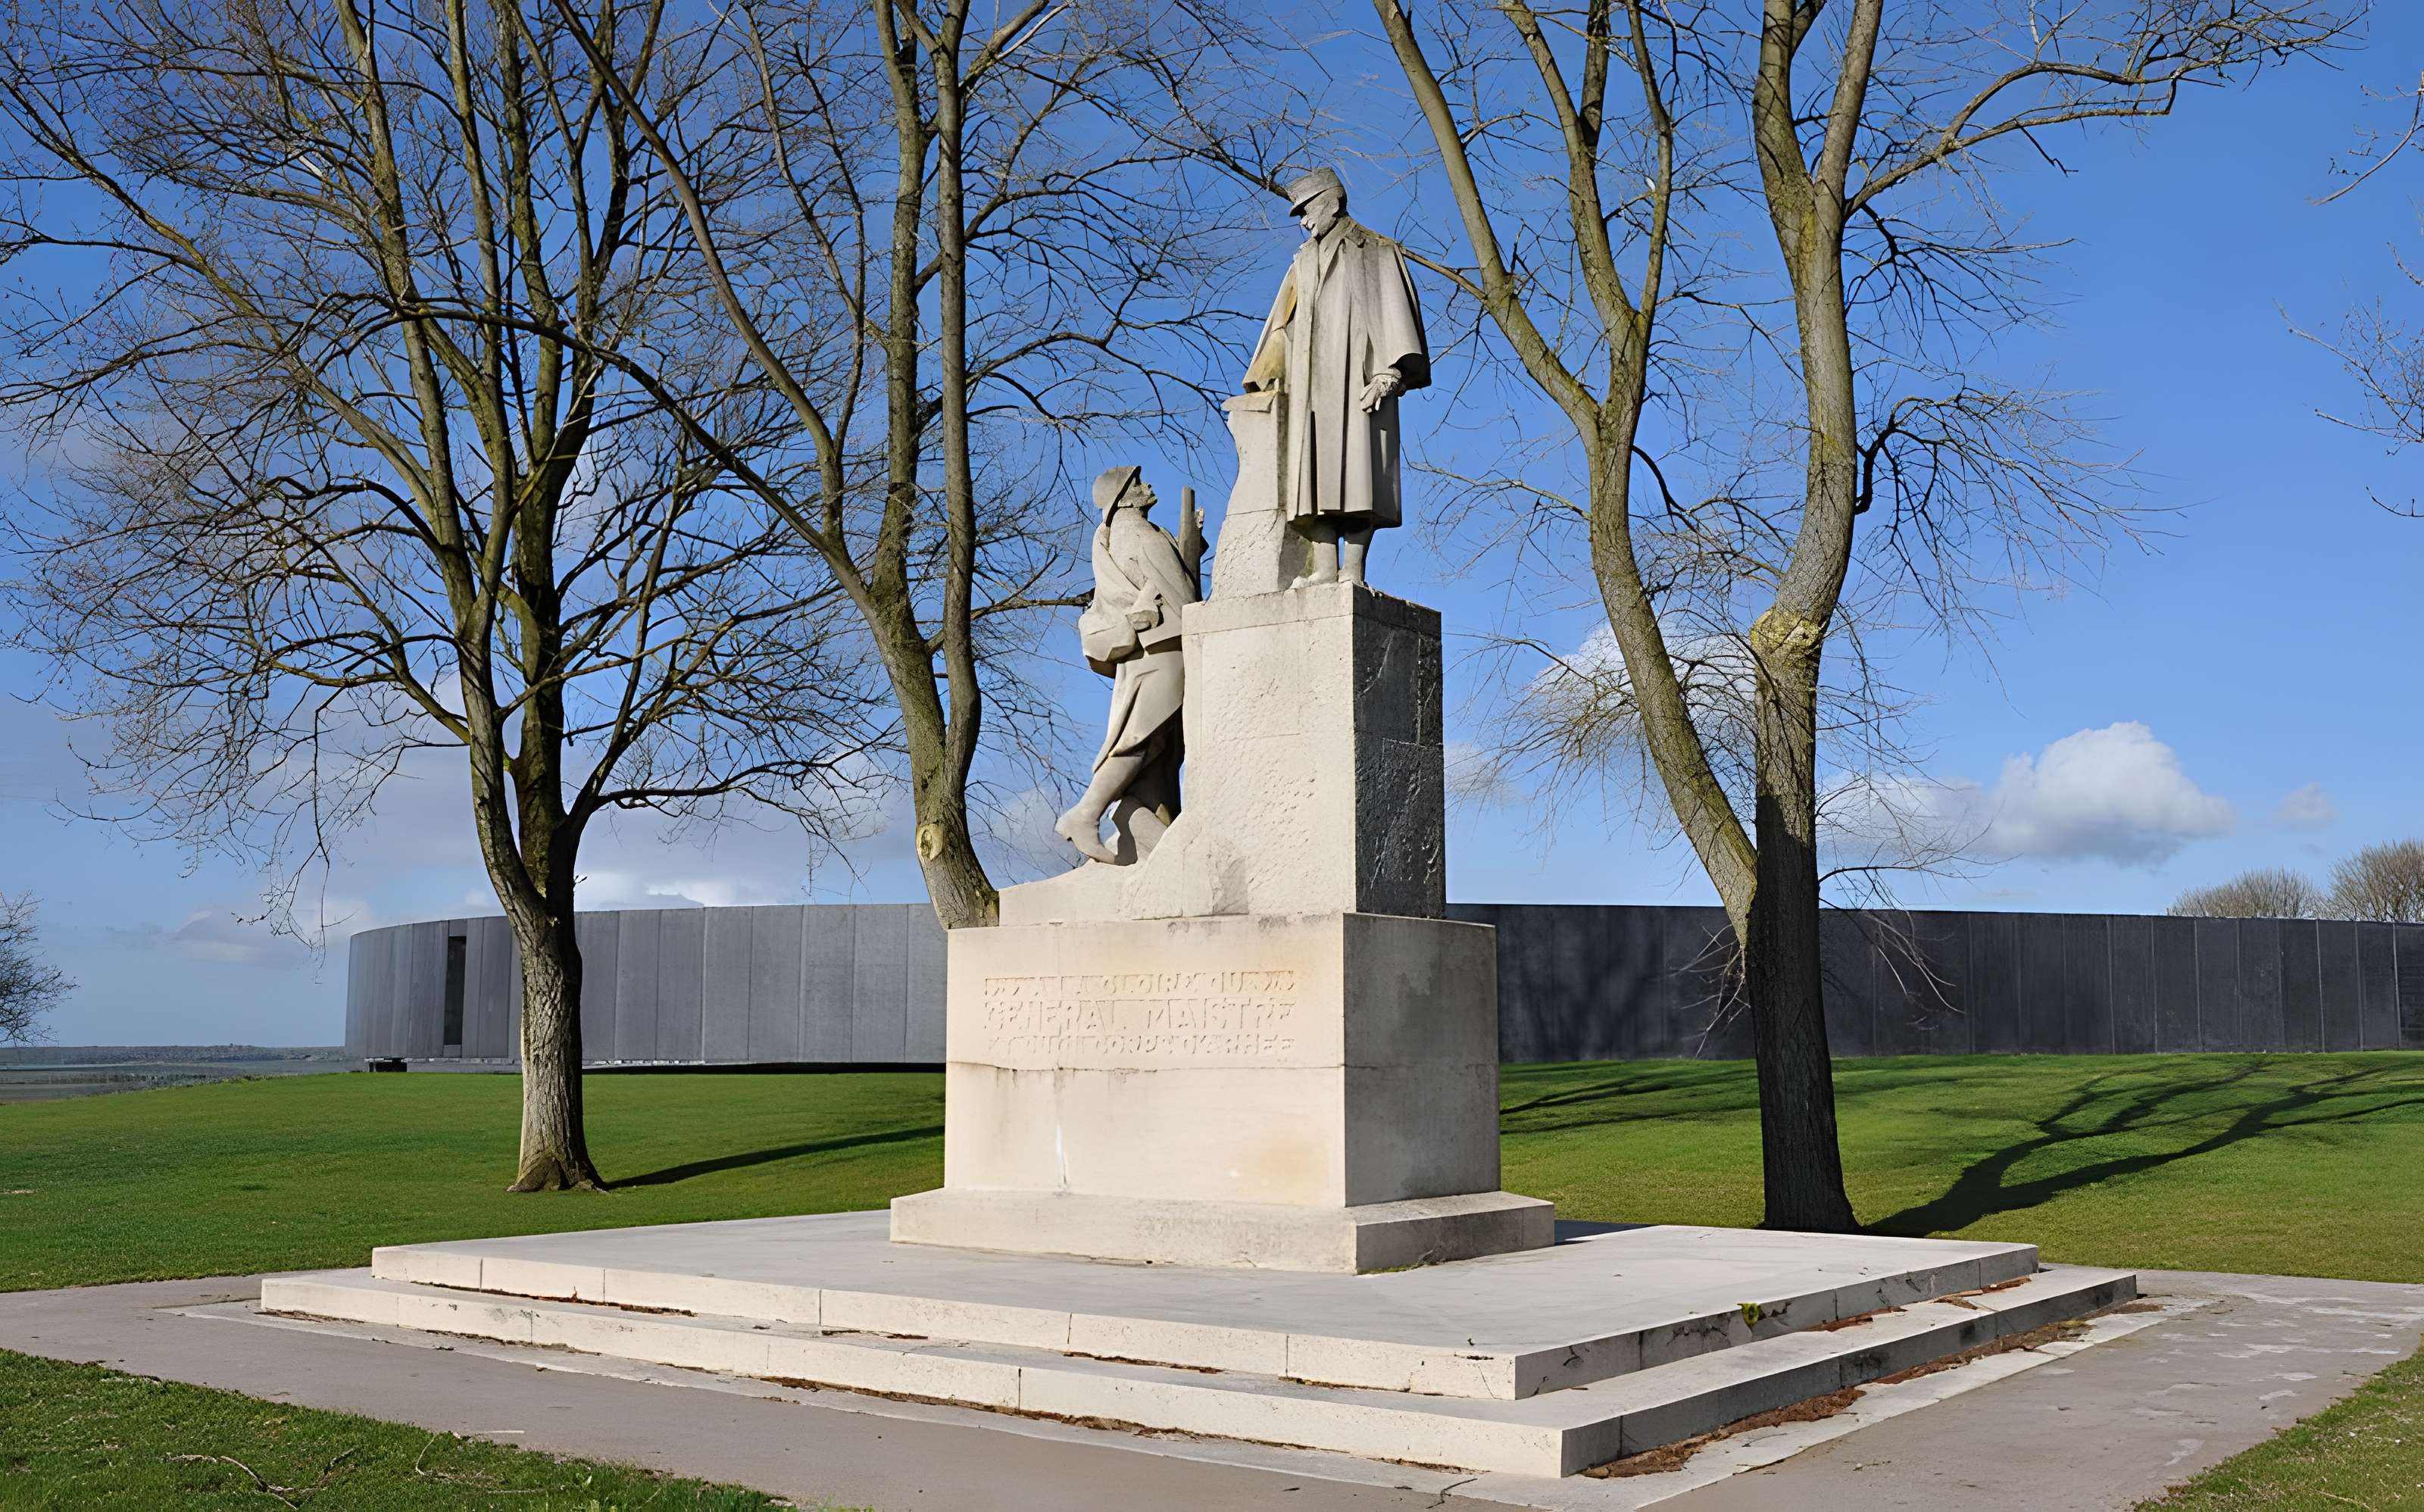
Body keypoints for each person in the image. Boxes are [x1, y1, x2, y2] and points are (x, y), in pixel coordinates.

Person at [1241, 166, 1432, 587]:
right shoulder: (1302, 261)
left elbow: (1397, 311)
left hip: (1360, 380)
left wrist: (1392, 372)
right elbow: (1280, 324)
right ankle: (1325, 569)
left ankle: (1354, 571)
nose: (1304, 220)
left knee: (1363, 476)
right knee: (1313, 478)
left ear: (1332, 201)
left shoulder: (1377, 249)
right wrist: (1269, 374)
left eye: (1306, 210)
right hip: (1311, 385)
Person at [1054, 467, 1201, 864]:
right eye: (1138, 483)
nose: (1148, 485)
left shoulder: (1127, 535)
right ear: (1123, 497)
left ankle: (1136, 817)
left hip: (1157, 649)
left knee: (1157, 743)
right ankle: (1084, 814)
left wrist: (1191, 550)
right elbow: (1184, 598)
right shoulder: (1139, 535)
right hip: (1163, 650)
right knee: (1139, 735)